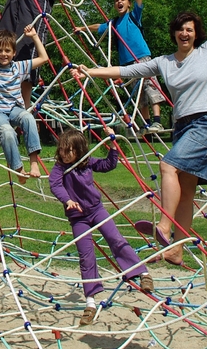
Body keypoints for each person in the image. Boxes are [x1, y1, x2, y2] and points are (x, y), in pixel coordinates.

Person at [77, 0, 207, 266]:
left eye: (189, 29)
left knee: (166, 165)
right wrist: (90, 71)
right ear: (174, 33)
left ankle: (163, 228)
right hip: (183, 125)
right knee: (186, 190)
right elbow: (126, 71)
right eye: (180, 29)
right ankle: (176, 249)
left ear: (196, 33)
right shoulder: (164, 62)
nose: (184, 33)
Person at [49, 129, 154, 326]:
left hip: (96, 210)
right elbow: (54, 185)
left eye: (69, 150)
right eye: (62, 150)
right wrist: (68, 200)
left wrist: (113, 146)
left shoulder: (87, 162)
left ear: (79, 151)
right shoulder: (59, 168)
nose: (64, 154)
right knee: (86, 256)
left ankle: (143, 273)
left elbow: (108, 164)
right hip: (78, 218)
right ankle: (90, 302)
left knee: (115, 239)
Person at [84, 0, 166, 132]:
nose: (119, 2)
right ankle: (147, 124)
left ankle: (157, 120)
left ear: (128, 3)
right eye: (116, 0)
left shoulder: (134, 16)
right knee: (139, 96)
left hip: (141, 57)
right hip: (127, 65)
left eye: (122, 0)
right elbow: (99, 27)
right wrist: (82, 28)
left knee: (150, 87)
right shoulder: (113, 23)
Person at [0, 9, 48, 179]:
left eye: (7, 51)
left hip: (14, 109)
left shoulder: (19, 67)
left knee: (28, 118)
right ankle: (18, 169)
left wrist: (35, 37)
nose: (3, 54)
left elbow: (44, 58)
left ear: (14, 53)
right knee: (7, 132)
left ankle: (34, 162)